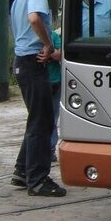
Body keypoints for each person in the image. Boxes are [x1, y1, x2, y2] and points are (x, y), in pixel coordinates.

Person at [10, 0, 66, 197]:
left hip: (23, 61)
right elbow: (34, 19)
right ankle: (38, 179)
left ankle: (23, 170)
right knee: (42, 122)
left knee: (37, 119)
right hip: (33, 61)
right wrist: (48, 44)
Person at [48, 28, 62, 161]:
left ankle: (50, 150)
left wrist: (48, 51)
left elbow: (60, 54)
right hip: (41, 81)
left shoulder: (54, 35)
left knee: (53, 118)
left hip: (55, 81)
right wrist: (52, 52)